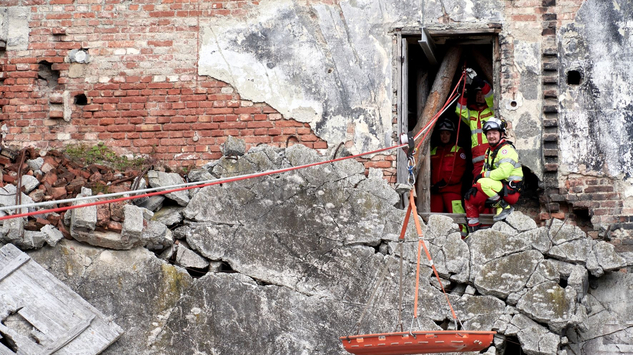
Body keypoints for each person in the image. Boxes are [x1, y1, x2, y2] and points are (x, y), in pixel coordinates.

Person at [463, 117, 523, 234]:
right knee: (469, 198)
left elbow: (503, 173)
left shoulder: (506, 150)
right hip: (496, 189)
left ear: (501, 134)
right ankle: (474, 230)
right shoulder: (489, 151)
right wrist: (475, 187)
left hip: (510, 191)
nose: (491, 136)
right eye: (489, 133)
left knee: (482, 182)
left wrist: (483, 176)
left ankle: (504, 206)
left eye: (494, 133)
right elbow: (485, 170)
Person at [455, 68, 494, 179]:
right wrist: (465, 92)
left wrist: (479, 82)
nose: (479, 96)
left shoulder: (492, 111)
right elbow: (460, 110)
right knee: (477, 187)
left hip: (491, 158)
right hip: (477, 160)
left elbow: (491, 97)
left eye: (482, 93)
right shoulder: (472, 114)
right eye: (477, 93)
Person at [430, 120, 467, 214]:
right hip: (436, 192)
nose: (444, 136)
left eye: (447, 133)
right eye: (442, 133)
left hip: (451, 191)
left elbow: (458, 172)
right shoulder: (433, 151)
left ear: (452, 135)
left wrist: (444, 182)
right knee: (433, 219)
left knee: (458, 218)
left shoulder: (458, 151)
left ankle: (461, 230)